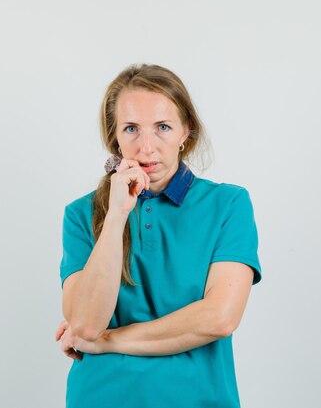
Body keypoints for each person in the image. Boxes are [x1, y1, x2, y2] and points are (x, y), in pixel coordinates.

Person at [54, 63, 262, 408]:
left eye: (163, 127)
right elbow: (85, 325)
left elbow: (219, 318)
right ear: (115, 137)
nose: (146, 147)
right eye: (131, 128)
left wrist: (109, 342)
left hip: (199, 399)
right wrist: (118, 213)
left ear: (186, 132)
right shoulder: (81, 214)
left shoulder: (228, 205)